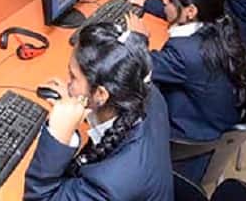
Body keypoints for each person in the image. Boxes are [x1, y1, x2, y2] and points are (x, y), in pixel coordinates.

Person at [123, 0, 246, 183]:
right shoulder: (218, 20)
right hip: (218, 117)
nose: (166, 4)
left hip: (191, 137)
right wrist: (147, 2)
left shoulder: (184, 53)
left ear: (190, 11)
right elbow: (180, 15)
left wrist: (137, 39)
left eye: (170, 1)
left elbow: (141, 66)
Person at [24, 23, 174, 201]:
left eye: (73, 77)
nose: (68, 82)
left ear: (101, 94)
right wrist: (77, 98)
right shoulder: (147, 93)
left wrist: (58, 136)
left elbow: (39, 198)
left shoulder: (109, 185)